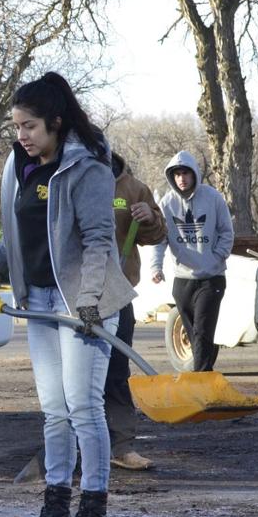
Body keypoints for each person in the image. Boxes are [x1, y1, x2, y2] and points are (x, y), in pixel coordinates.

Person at [0, 72, 135, 517]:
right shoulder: (21, 167)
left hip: (83, 304)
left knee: (84, 406)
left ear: (56, 122)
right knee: (54, 410)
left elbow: (99, 241)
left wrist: (89, 301)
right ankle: (56, 506)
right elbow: (15, 240)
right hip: (38, 301)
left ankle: (93, 511)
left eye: (29, 126)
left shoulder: (88, 167)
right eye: (17, 126)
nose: (22, 135)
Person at [105, 152, 166, 470]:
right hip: (71, 293)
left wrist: (150, 218)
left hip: (117, 293)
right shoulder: (65, 179)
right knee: (73, 378)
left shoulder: (132, 188)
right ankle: (67, 448)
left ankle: (121, 446)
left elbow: (157, 234)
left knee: (116, 372)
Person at [148, 152, 233, 372]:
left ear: (194, 174)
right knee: (194, 333)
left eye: (185, 173)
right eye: (177, 174)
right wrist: (156, 267)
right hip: (183, 280)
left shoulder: (213, 198)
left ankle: (201, 378)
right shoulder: (167, 203)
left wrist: (217, 256)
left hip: (211, 278)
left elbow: (226, 231)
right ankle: (204, 373)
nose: (181, 178)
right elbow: (160, 239)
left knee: (203, 330)